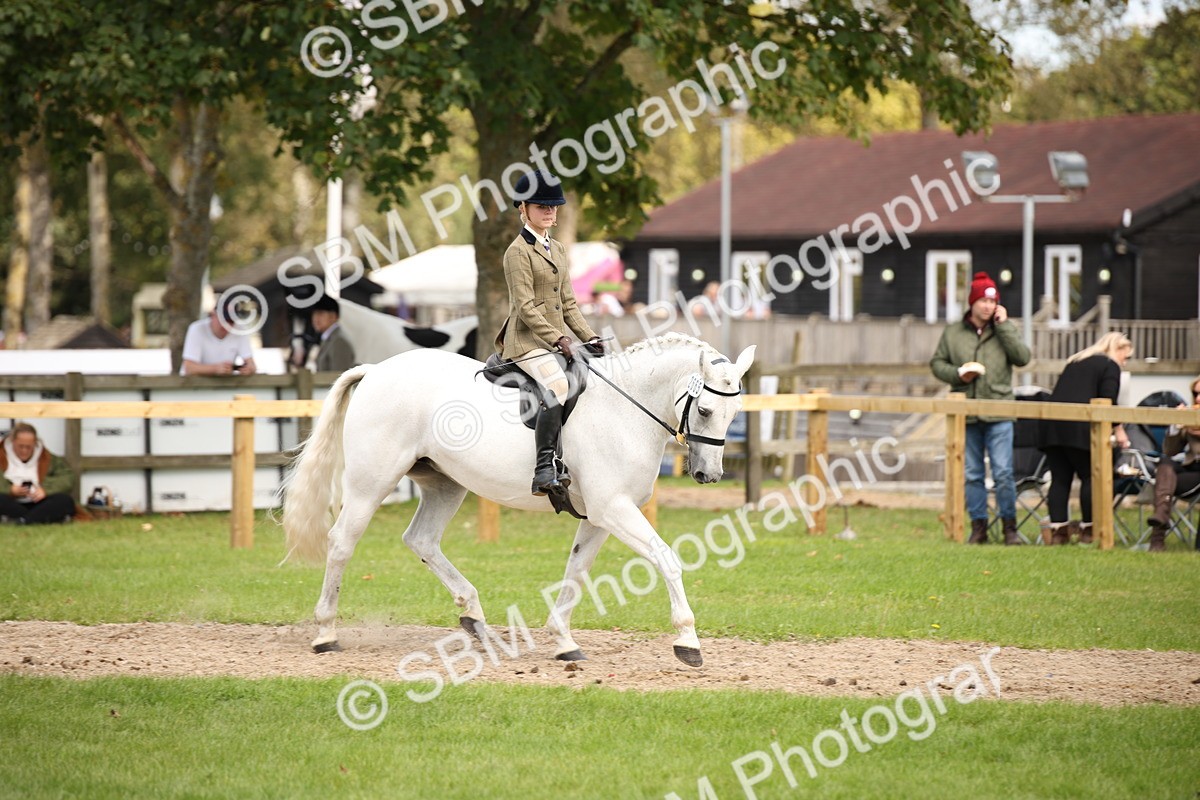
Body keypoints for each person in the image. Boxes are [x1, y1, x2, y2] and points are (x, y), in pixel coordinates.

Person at [494, 170, 602, 497]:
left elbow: (568, 302)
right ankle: (544, 468)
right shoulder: (517, 252)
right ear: (523, 209)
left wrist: (589, 336)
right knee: (556, 383)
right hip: (526, 342)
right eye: (541, 206)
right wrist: (559, 338)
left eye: (553, 206)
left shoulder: (557, 249)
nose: (549, 212)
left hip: (553, 341)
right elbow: (525, 306)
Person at [931, 272, 1032, 545]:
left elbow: (1023, 358)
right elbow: (937, 364)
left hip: (1000, 410)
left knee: (1002, 472)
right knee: (973, 473)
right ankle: (978, 528)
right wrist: (958, 375)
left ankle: (1010, 528)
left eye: (993, 301)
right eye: (984, 301)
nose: (988, 306)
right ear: (973, 302)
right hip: (967, 412)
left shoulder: (1003, 329)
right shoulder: (953, 332)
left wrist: (1005, 326)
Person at [1039, 332, 1134, 545]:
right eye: (1125, 357)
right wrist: (1119, 429)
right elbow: (1107, 400)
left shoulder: (1076, 361)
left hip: (1053, 426)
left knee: (1060, 479)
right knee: (1090, 476)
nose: (1124, 363)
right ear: (1116, 349)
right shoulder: (1109, 366)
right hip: (1080, 428)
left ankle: (1058, 533)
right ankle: (1088, 530)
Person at [1147, 373, 1200, 551]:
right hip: (1190, 470)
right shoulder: (1190, 418)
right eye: (1195, 393)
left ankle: (1157, 538)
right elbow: (1170, 450)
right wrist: (1177, 426)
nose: (1198, 398)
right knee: (1166, 463)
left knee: (1165, 481)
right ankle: (1160, 520)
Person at [0, 423, 76, 524]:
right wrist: (10, 490)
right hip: (12, 503)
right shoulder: (2, 455)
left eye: (29, 447)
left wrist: (45, 490)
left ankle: (23, 520)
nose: (24, 451)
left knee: (65, 500)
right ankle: (34, 519)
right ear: (13, 442)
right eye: (20, 446)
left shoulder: (47, 458)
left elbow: (67, 477)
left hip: (38, 503)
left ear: (35, 443)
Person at [181, 295, 257, 376]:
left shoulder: (240, 330)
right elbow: (189, 368)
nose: (226, 325)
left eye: (230, 321)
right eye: (223, 320)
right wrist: (215, 369)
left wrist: (248, 369)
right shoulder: (197, 329)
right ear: (213, 314)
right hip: (192, 385)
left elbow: (251, 365)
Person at [310, 295, 358, 372]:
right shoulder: (328, 339)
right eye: (314, 314)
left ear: (333, 316)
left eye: (320, 313)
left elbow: (339, 376)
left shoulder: (339, 341)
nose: (316, 318)